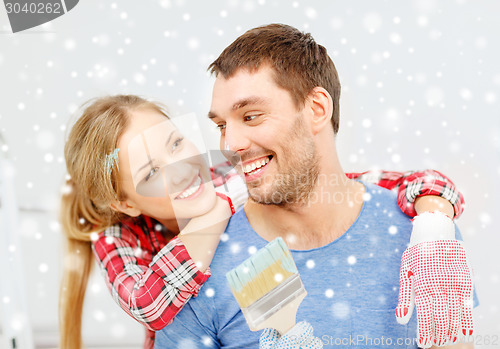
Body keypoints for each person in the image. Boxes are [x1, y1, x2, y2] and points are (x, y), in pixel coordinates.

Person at [154, 24, 475, 349]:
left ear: (317, 110)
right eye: (222, 125)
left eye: (250, 116)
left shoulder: (426, 243)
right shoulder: (198, 269)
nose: (230, 144)